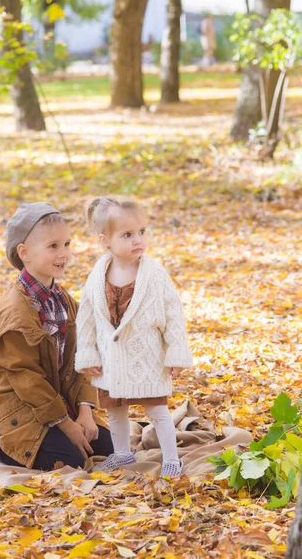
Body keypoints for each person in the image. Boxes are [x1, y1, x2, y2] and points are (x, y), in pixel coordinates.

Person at [0, 202, 113, 470]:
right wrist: (66, 426)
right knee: (65, 462)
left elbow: (84, 354)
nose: (63, 254)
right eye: (53, 246)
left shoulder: (63, 300)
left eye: (67, 244)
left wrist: (85, 411)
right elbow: (25, 379)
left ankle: (63, 430)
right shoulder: (15, 313)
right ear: (24, 253)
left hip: (58, 402)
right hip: (22, 406)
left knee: (108, 449)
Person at [75, 197, 193, 478]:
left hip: (147, 356)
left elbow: (173, 314)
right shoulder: (97, 275)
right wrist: (88, 353)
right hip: (110, 359)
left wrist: (175, 352)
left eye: (142, 231)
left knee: (158, 412)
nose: (137, 239)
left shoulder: (154, 274)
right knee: (115, 411)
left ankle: (172, 459)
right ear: (106, 240)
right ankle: (122, 454)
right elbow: (87, 318)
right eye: (127, 235)